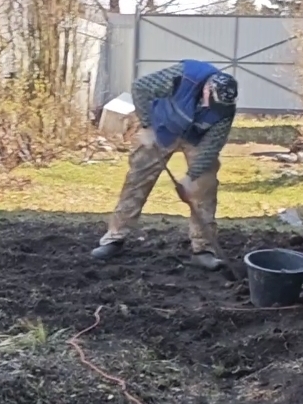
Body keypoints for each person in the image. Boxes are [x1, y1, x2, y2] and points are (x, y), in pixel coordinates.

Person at [91, 60, 238, 271]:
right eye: (211, 102)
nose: (211, 108)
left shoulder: (224, 110)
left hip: (196, 137)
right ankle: (114, 238)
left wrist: (190, 178)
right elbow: (140, 87)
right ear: (207, 89)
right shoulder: (184, 76)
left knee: (205, 185)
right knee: (137, 180)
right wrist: (147, 126)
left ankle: (203, 249)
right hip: (161, 127)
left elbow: (210, 148)